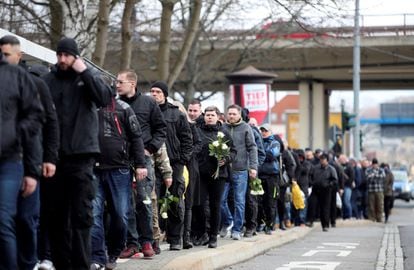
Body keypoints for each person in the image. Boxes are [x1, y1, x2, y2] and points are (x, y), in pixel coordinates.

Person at [42, 37, 113, 270]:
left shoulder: (87, 79)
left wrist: (85, 72)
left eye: (67, 55)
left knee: (82, 215)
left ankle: (82, 264)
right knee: (56, 217)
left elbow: (104, 98)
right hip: (54, 157)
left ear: (75, 57)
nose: (63, 60)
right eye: (59, 55)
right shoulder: (48, 81)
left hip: (82, 155)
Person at [0, 35, 59, 270]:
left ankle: (29, 261)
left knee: (25, 219)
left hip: (24, 159)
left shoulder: (33, 83)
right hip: (12, 158)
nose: (3, 58)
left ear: (18, 55)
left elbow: (46, 125)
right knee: (7, 219)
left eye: (6, 54)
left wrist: (46, 159)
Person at [90, 96, 147, 270]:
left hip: (119, 168)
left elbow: (136, 137)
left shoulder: (123, 108)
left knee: (120, 214)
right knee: (93, 214)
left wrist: (140, 164)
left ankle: (115, 251)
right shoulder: (87, 104)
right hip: (93, 168)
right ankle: (97, 257)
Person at [0, 47, 43, 270]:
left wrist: (33, 170)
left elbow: (38, 124)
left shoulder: (21, 80)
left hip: (13, 160)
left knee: (11, 219)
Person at [117, 70, 167, 258]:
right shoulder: (115, 103)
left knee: (144, 201)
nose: (117, 85)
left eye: (120, 82)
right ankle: (132, 242)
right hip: (120, 159)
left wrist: (151, 149)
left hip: (143, 159)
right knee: (125, 203)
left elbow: (161, 128)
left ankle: (147, 241)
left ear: (132, 84)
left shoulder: (148, 103)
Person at [150, 81, 193, 250]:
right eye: (152, 91)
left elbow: (187, 139)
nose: (154, 94)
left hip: (175, 163)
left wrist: (182, 160)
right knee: (154, 201)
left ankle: (175, 238)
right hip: (153, 162)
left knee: (175, 200)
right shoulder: (146, 112)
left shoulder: (177, 114)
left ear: (165, 94)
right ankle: (155, 238)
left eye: (158, 91)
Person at [198, 106, 235, 248]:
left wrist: (225, 159)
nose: (209, 117)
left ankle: (213, 236)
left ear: (218, 116)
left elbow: (233, 151)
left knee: (215, 205)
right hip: (201, 173)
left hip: (219, 175)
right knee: (200, 204)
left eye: (212, 115)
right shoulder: (198, 130)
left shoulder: (224, 132)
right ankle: (204, 233)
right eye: (207, 115)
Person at [221, 104, 258, 240]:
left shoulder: (246, 128)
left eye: (234, 114)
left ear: (239, 115)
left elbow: (252, 148)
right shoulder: (222, 127)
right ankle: (228, 221)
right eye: (229, 113)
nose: (231, 116)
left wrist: (253, 167)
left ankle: (237, 229)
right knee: (220, 200)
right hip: (224, 170)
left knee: (239, 201)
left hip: (240, 170)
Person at [258, 124, 281, 234]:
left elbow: (272, 155)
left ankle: (269, 225)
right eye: (262, 130)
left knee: (270, 202)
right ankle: (261, 223)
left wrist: (261, 153)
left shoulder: (275, 142)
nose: (263, 132)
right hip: (259, 176)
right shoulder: (258, 141)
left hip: (272, 177)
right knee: (258, 202)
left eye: (265, 131)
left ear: (270, 132)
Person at [307, 153, 338, 232]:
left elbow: (335, 180)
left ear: (327, 160)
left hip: (326, 190)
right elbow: (310, 176)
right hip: (316, 189)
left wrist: (329, 184)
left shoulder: (331, 169)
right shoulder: (315, 168)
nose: (322, 161)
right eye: (321, 160)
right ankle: (310, 221)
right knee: (312, 204)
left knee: (325, 208)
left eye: (323, 160)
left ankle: (325, 225)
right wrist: (312, 182)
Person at [365, 158, 386, 222]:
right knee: (371, 205)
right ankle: (372, 218)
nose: (375, 166)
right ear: (372, 164)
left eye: (376, 164)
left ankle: (379, 218)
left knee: (380, 205)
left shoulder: (381, 170)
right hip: (371, 190)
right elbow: (368, 178)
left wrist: (373, 176)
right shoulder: (368, 170)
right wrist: (375, 176)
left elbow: (382, 177)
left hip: (379, 190)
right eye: (374, 164)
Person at [338, 154, 355, 219]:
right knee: (341, 202)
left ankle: (349, 215)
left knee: (346, 201)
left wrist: (346, 182)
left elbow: (352, 177)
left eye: (341, 159)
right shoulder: (339, 166)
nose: (340, 160)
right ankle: (343, 215)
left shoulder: (349, 166)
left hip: (347, 186)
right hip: (341, 187)